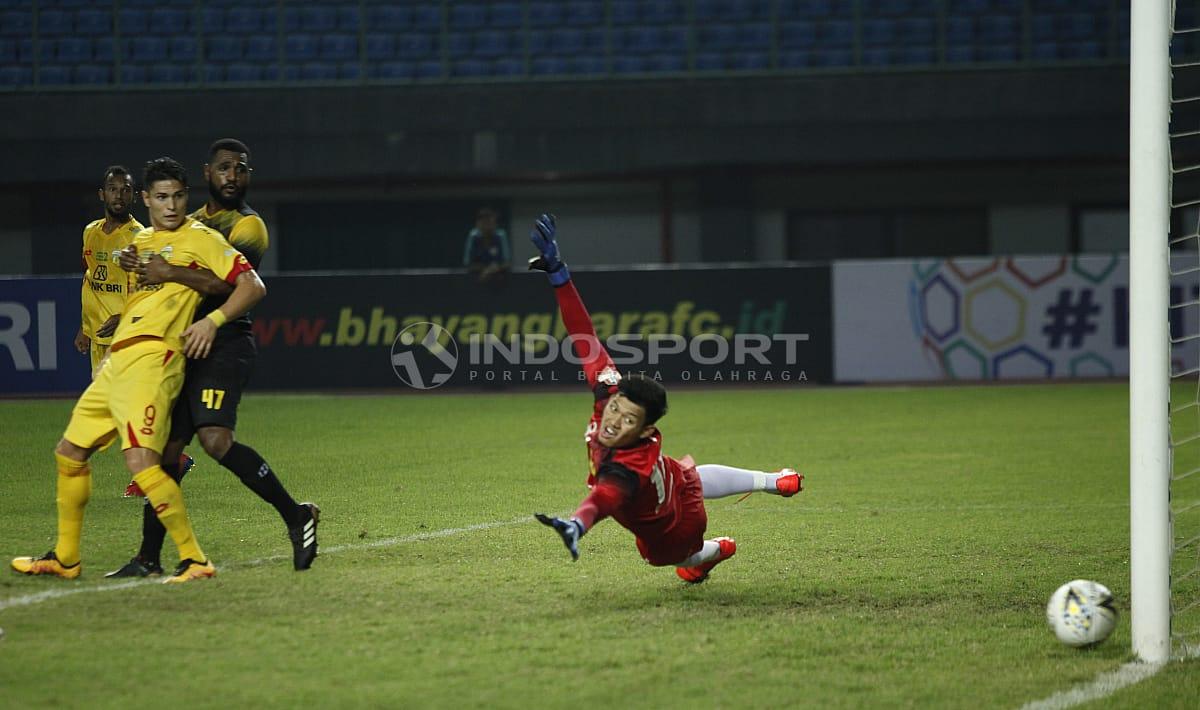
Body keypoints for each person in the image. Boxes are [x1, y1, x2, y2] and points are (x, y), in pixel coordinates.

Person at [11, 156, 266, 584]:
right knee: (69, 452)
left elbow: (252, 285)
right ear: (147, 199)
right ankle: (66, 558)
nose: (172, 205)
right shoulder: (141, 244)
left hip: (155, 361)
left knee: (142, 463)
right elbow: (138, 303)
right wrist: (111, 353)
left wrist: (212, 321)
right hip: (119, 360)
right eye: (162, 197)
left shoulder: (201, 237)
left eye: (179, 196)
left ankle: (194, 559)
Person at [529, 214, 804, 583]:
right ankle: (775, 481)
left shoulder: (627, 468)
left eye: (628, 420)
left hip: (674, 526)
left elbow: (604, 497)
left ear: (645, 432)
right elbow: (584, 334)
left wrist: (578, 524)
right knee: (688, 476)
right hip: (674, 482)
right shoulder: (610, 390)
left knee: (668, 558)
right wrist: (558, 274)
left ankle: (715, 550)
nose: (613, 421)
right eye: (616, 408)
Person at [109, 138, 319, 577]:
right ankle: (147, 557)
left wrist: (171, 272)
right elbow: (164, 265)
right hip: (183, 343)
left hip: (224, 339)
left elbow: (229, 286)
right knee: (165, 452)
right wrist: (139, 261)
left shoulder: (248, 226)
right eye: (224, 167)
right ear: (207, 173)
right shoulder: (189, 222)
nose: (232, 176)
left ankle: (296, 515)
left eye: (240, 168)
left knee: (215, 440)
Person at [75, 166, 142, 376]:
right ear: (102, 194)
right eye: (113, 189)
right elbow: (90, 279)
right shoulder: (90, 232)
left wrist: (123, 317)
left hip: (126, 335)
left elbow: (148, 293)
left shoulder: (139, 237)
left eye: (125, 190)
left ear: (134, 196)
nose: (119, 195)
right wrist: (84, 328)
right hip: (97, 336)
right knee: (102, 394)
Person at [462, 207, 511, 286]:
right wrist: (486, 269)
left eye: (490, 223)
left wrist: (493, 269)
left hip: (499, 282)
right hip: (475, 282)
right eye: (484, 223)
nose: (487, 226)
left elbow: (507, 263)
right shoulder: (473, 237)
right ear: (478, 224)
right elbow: (468, 264)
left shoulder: (500, 236)